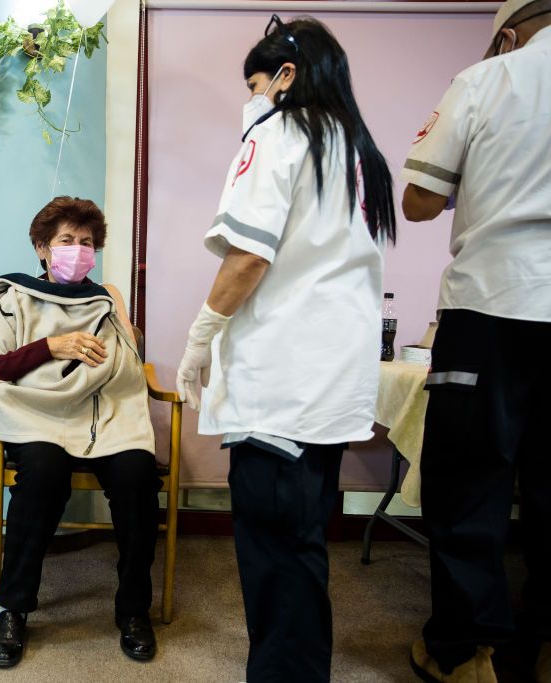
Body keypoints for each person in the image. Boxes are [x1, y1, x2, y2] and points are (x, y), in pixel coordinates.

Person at [175, 16, 396, 682]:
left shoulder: (278, 131)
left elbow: (248, 257)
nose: (250, 99)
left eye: (254, 84)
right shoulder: (358, 150)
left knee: (273, 556)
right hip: (330, 386)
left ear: (286, 76)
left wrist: (200, 334)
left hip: (281, 386)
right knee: (301, 548)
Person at [400, 1, 551, 680]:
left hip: (493, 304)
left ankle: (467, 655)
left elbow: (420, 199)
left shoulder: (487, 79)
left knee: (469, 483)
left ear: (509, 36)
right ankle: (535, 646)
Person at [0, 197, 162, 668]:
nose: (77, 250)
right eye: (66, 241)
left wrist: (119, 312)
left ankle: (134, 610)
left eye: (86, 243)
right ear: (42, 248)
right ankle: (12, 609)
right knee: (43, 474)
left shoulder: (105, 299)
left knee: (138, 476)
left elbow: (127, 363)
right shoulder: (14, 299)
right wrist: (49, 346)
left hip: (104, 415)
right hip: (39, 417)